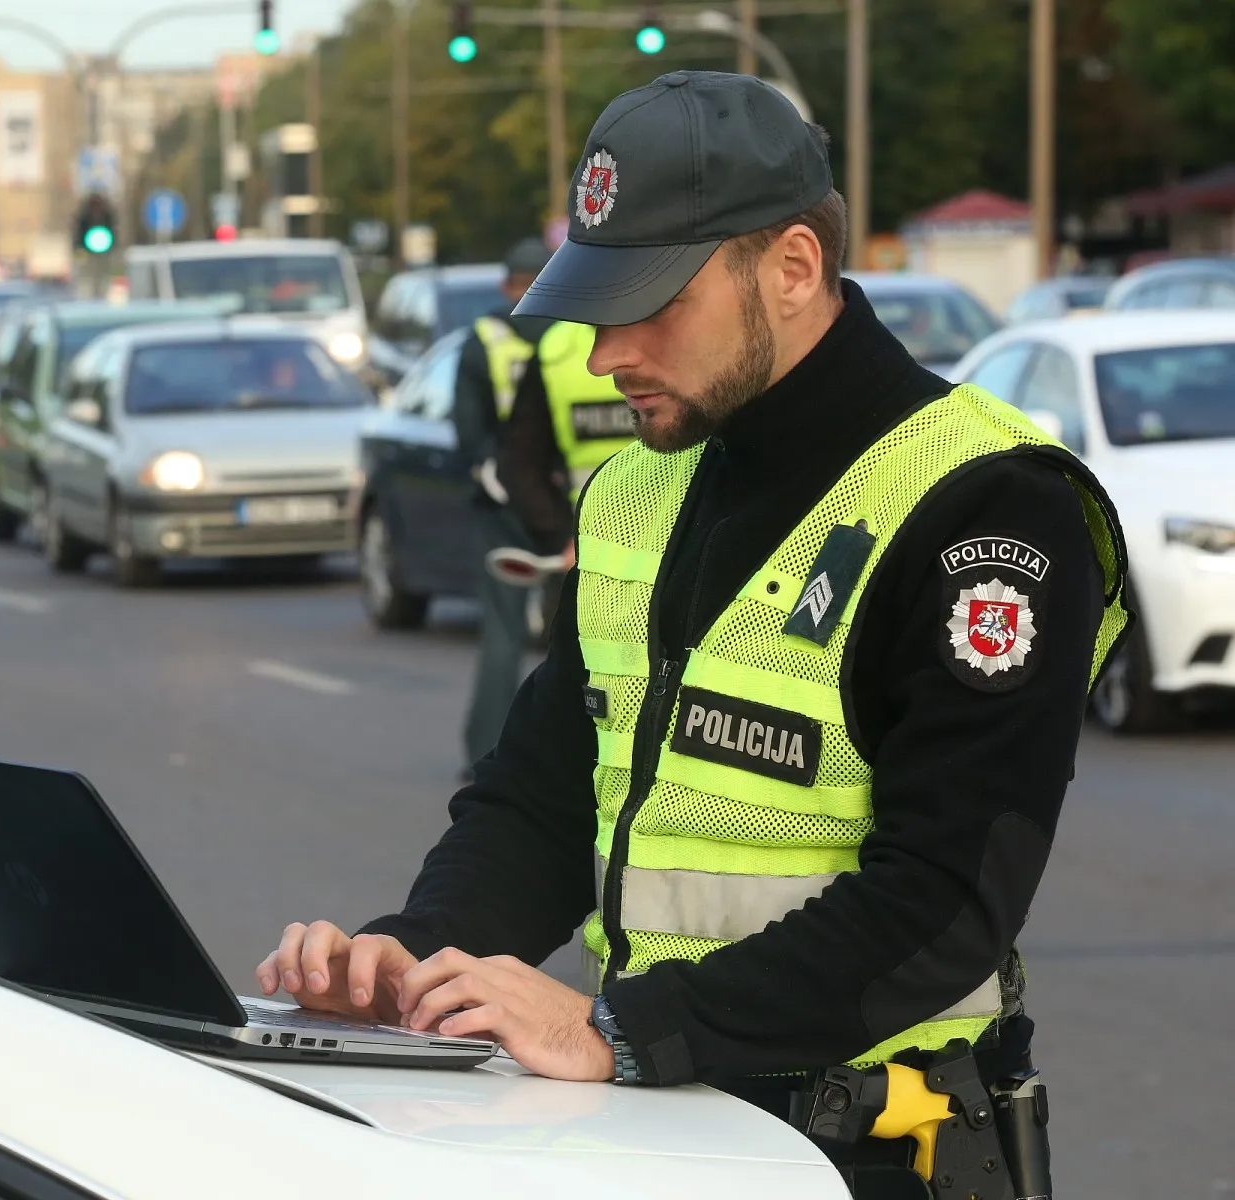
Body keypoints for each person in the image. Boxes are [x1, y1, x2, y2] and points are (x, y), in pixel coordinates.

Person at [256, 71, 1129, 1194]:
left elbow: (944, 900)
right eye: (596, 306)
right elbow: (542, 799)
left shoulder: (989, 508)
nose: (609, 351)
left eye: (653, 304)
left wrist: (617, 1031)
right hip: (659, 1134)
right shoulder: (632, 492)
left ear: (795, 269)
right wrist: (412, 963)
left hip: (867, 1157)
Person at [451, 238, 554, 775]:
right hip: (572, 504)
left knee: (502, 629)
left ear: (504, 284)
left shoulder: (480, 341)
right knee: (577, 637)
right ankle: (574, 755)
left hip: (504, 503)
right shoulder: (574, 334)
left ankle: (486, 754)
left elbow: (467, 432)